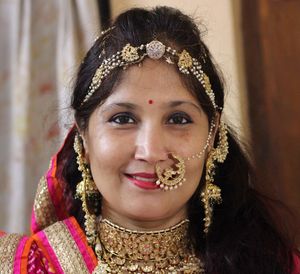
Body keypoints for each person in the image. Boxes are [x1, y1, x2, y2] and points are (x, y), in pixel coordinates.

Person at [0, 6, 299, 274]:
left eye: (178, 119)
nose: (151, 151)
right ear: (84, 137)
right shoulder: (25, 266)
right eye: (123, 119)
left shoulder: (274, 265)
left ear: (212, 136)